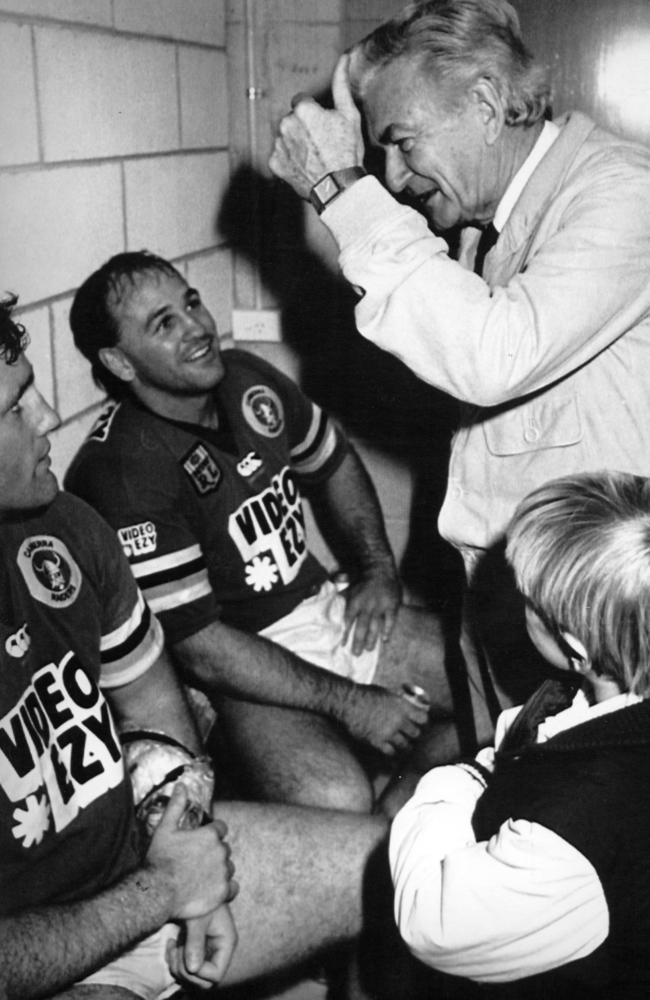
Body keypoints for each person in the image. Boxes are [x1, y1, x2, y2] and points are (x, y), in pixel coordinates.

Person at [0, 292, 399, 1000]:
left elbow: (149, 702)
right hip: (55, 944)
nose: (46, 418)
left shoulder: (62, 527)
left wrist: (181, 835)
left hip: (143, 864)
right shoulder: (121, 470)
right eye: (13, 407)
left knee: (405, 872)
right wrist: (165, 891)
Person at [268, 0, 650, 739]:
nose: (397, 177)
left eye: (404, 142)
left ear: (482, 103)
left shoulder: (622, 192)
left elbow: (492, 355)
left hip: (601, 628)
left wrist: (340, 189)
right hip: (510, 608)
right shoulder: (488, 225)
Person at [63, 250, 461, 815]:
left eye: (191, 303)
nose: (197, 328)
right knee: (335, 799)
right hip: (241, 664)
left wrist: (376, 569)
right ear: (120, 362)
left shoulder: (245, 378)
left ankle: (397, 823)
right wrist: (354, 704)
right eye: (164, 323)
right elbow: (205, 651)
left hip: (319, 609)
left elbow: (334, 461)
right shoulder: (123, 472)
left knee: (479, 678)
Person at [389, 470, 650, 998]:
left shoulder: (573, 833)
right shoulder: (589, 695)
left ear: (576, 645)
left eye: (530, 600)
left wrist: (461, 778)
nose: (518, 605)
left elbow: (431, 919)